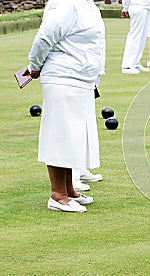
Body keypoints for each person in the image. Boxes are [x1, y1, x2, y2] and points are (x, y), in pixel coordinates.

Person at [26, 0, 106, 212]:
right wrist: (34, 67)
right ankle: (57, 194)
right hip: (63, 78)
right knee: (61, 135)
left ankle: (69, 189)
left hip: (82, 80)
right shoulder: (66, 4)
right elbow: (44, 38)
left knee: (73, 135)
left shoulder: (87, 5)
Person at [121, 0, 150, 75]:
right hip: (137, 6)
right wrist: (125, 7)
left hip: (147, 6)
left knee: (142, 37)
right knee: (135, 36)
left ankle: (135, 63)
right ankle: (127, 65)